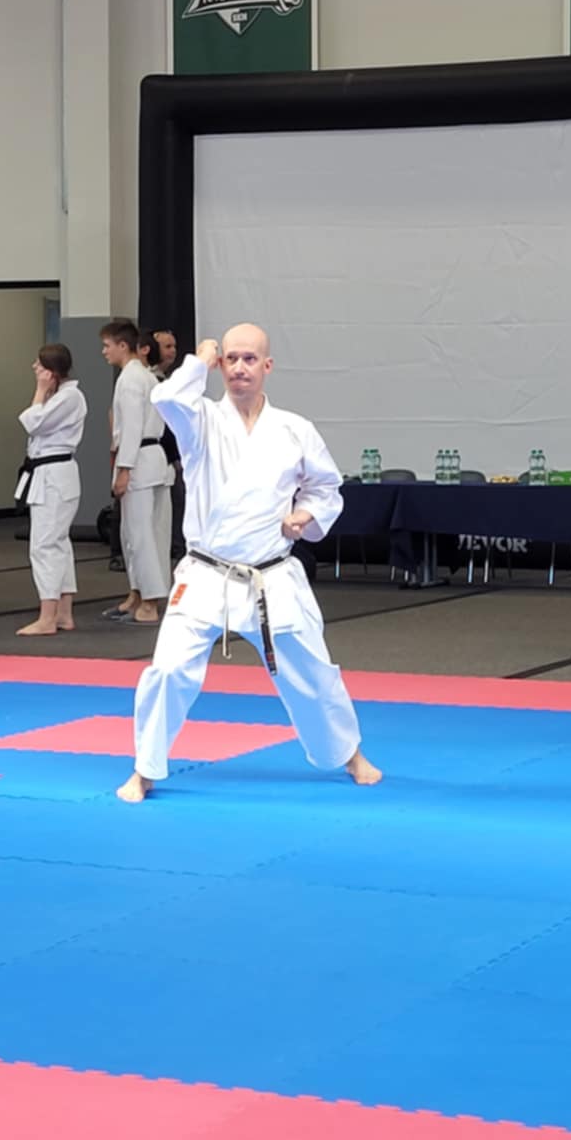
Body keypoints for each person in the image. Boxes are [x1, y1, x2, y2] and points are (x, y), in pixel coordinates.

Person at [119, 327, 380, 805]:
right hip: (206, 573)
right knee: (168, 670)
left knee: (313, 672)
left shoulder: (294, 429)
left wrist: (307, 514)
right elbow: (166, 397)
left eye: (250, 359)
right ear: (220, 365)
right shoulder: (199, 419)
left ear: (267, 366)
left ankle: (348, 754)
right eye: (232, 358)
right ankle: (145, 768)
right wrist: (199, 360)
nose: (239, 367)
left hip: (271, 572)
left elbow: (325, 487)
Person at [103, 320, 174, 625]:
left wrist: (124, 470)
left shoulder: (131, 379)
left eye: (107, 345)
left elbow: (131, 428)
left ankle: (149, 602)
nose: (104, 351)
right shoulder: (146, 376)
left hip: (139, 461)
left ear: (123, 346)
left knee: (139, 534)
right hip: (154, 458)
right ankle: (141, 594)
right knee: (152, 532)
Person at [16, 343, 86, 636]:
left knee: (44, 545)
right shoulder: (61, 396)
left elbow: (33, 423)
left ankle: (47, 617)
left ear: (52, 371)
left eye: (40, 364)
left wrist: (39, 390)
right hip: (49, 474)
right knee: (58, 543)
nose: (35, 368)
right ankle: (63, 613)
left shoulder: (70, 397)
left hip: (54, 475)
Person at [150, 324, 189, 560]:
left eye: (174, 346)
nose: (172, 351)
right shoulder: (152, 381)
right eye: (167, 346)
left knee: (175, 500)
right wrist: (174, 456)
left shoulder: (166, 379)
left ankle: (174, 544)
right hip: (159, 452)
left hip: (169, 453)